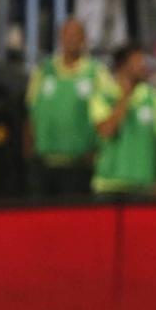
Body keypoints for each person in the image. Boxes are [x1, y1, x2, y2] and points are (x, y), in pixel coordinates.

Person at [24, 18, 113, 197]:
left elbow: (110, 115)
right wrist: (29, 155)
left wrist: (98, 152)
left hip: (80, 165)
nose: (71, 39)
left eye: (75, 35)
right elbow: (30, 114)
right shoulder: (43, 71)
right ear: (60, 38)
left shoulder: (96, 73)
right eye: (67, 34)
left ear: (84, 39)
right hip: (45, 164)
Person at [89, 43, 156, 198]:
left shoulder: (154, 98)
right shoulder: (103, 96)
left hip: (144, 185)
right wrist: (125, 98)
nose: (143, 66)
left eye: (143, 61)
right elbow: (107, 131)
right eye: (137, 62)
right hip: (108, 185)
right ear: (122, 66)